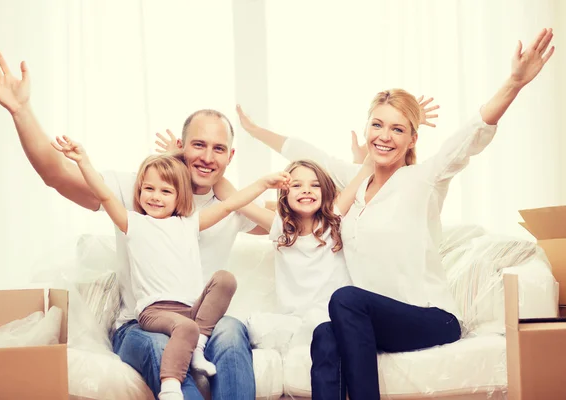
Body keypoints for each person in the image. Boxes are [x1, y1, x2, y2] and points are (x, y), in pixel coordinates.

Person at [232, 28, 555, 399]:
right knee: (324, 333)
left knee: (344, 299)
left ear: (412, 139)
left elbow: (468, 138)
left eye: (398, 128)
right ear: (367, 128)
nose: (385, 136)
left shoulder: (424, 180)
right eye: (378, 125)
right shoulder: (355, 185)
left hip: (431, 318)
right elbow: (305, 150)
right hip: (372, 319)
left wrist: (513, 84)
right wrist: (254, 131)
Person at [0, 51, 264, 399]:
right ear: (180, 146)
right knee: (162, 353)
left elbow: (285, 226)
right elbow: (56, 174)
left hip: (205, 325)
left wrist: (223, 185)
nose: (207, 157)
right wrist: (21, 111)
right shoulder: (141, 192)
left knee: (234, 337)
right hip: (141, 323)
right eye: (199, 145)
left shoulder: (231, 209)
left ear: (230, 157)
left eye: (219, 149)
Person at [53, 136, 289, 399]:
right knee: (185, 329)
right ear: (138, 191)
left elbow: (230, 205)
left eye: (165, 192)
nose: (155, 197)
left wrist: (263, 183)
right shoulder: (133, 223)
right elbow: (105, 194)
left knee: (224, 280)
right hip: (153, 311)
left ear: (180, 197)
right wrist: (83, 161)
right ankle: (170, 387)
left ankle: (197, 344)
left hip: (188, 311)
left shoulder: (188, 225)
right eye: (148, 189)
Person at [214, 158, 371, 327]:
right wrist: (263, 183)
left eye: (315, 185)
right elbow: (227, 193)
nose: (306, 190)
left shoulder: (334, 218)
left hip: (332, 317)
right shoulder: (281, 227)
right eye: (296, 185)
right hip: (292, 321)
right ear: (284, 194)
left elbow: (367, 170)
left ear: (325, 191)